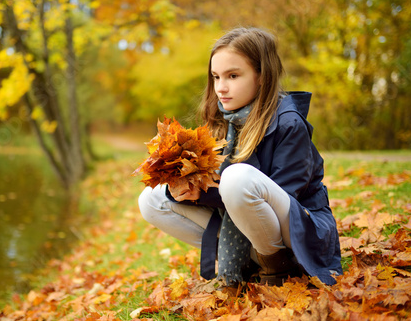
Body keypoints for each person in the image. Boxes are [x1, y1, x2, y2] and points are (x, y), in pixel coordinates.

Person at [138, 27, 342, 287]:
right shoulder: (222, 120)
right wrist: (183, 185)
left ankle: (277, 263)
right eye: (215, 77)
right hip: (247, 224)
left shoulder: (288, 123)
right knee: (151, 200)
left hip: (299, 228)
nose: (221, 88)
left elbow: (285, 194)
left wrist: (205, 192)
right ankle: (249, 260)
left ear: (261, 76)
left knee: (236, 176)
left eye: (233, 75)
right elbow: (219, 191)